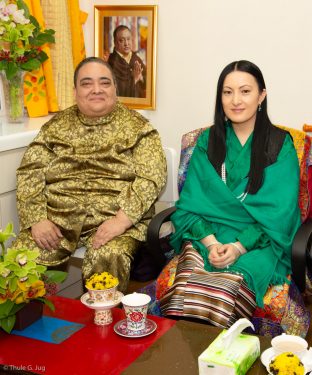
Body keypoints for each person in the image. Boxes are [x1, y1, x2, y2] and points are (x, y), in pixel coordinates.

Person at [159, 60, 303, 328]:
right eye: (227, 92)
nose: (235, 100)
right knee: (186, 289)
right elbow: (190, 205)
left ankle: (227, 359)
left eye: (245, 91)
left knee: (226, 290)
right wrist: (212, 244)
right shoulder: (207, 141)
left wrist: (238, 247)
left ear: (261, 95)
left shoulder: (280, 145)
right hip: (208, 234)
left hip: (260, 241)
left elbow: (280, 215)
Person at [12, 56, 167, 293]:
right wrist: (36, 219)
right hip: (58, 220)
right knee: (22, 257)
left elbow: (152, 177)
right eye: (87, 83)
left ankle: (101, 325)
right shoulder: (56, 126)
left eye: (104, 83)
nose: (96, 90)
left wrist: (121, 221)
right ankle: (28, 325)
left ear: (115, 88)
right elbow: (29, 172)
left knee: (107, 256)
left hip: (115, 221)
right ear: (75, 91)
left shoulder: (139, 128)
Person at [108, 25, 146, 98]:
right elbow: (116, 90)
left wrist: (141, 77)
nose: (126, 44)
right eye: (122, 40)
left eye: (128, 39)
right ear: (115, 43)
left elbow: (149, 82)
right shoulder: (112, 62)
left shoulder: (136, 58)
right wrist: (134, 80)